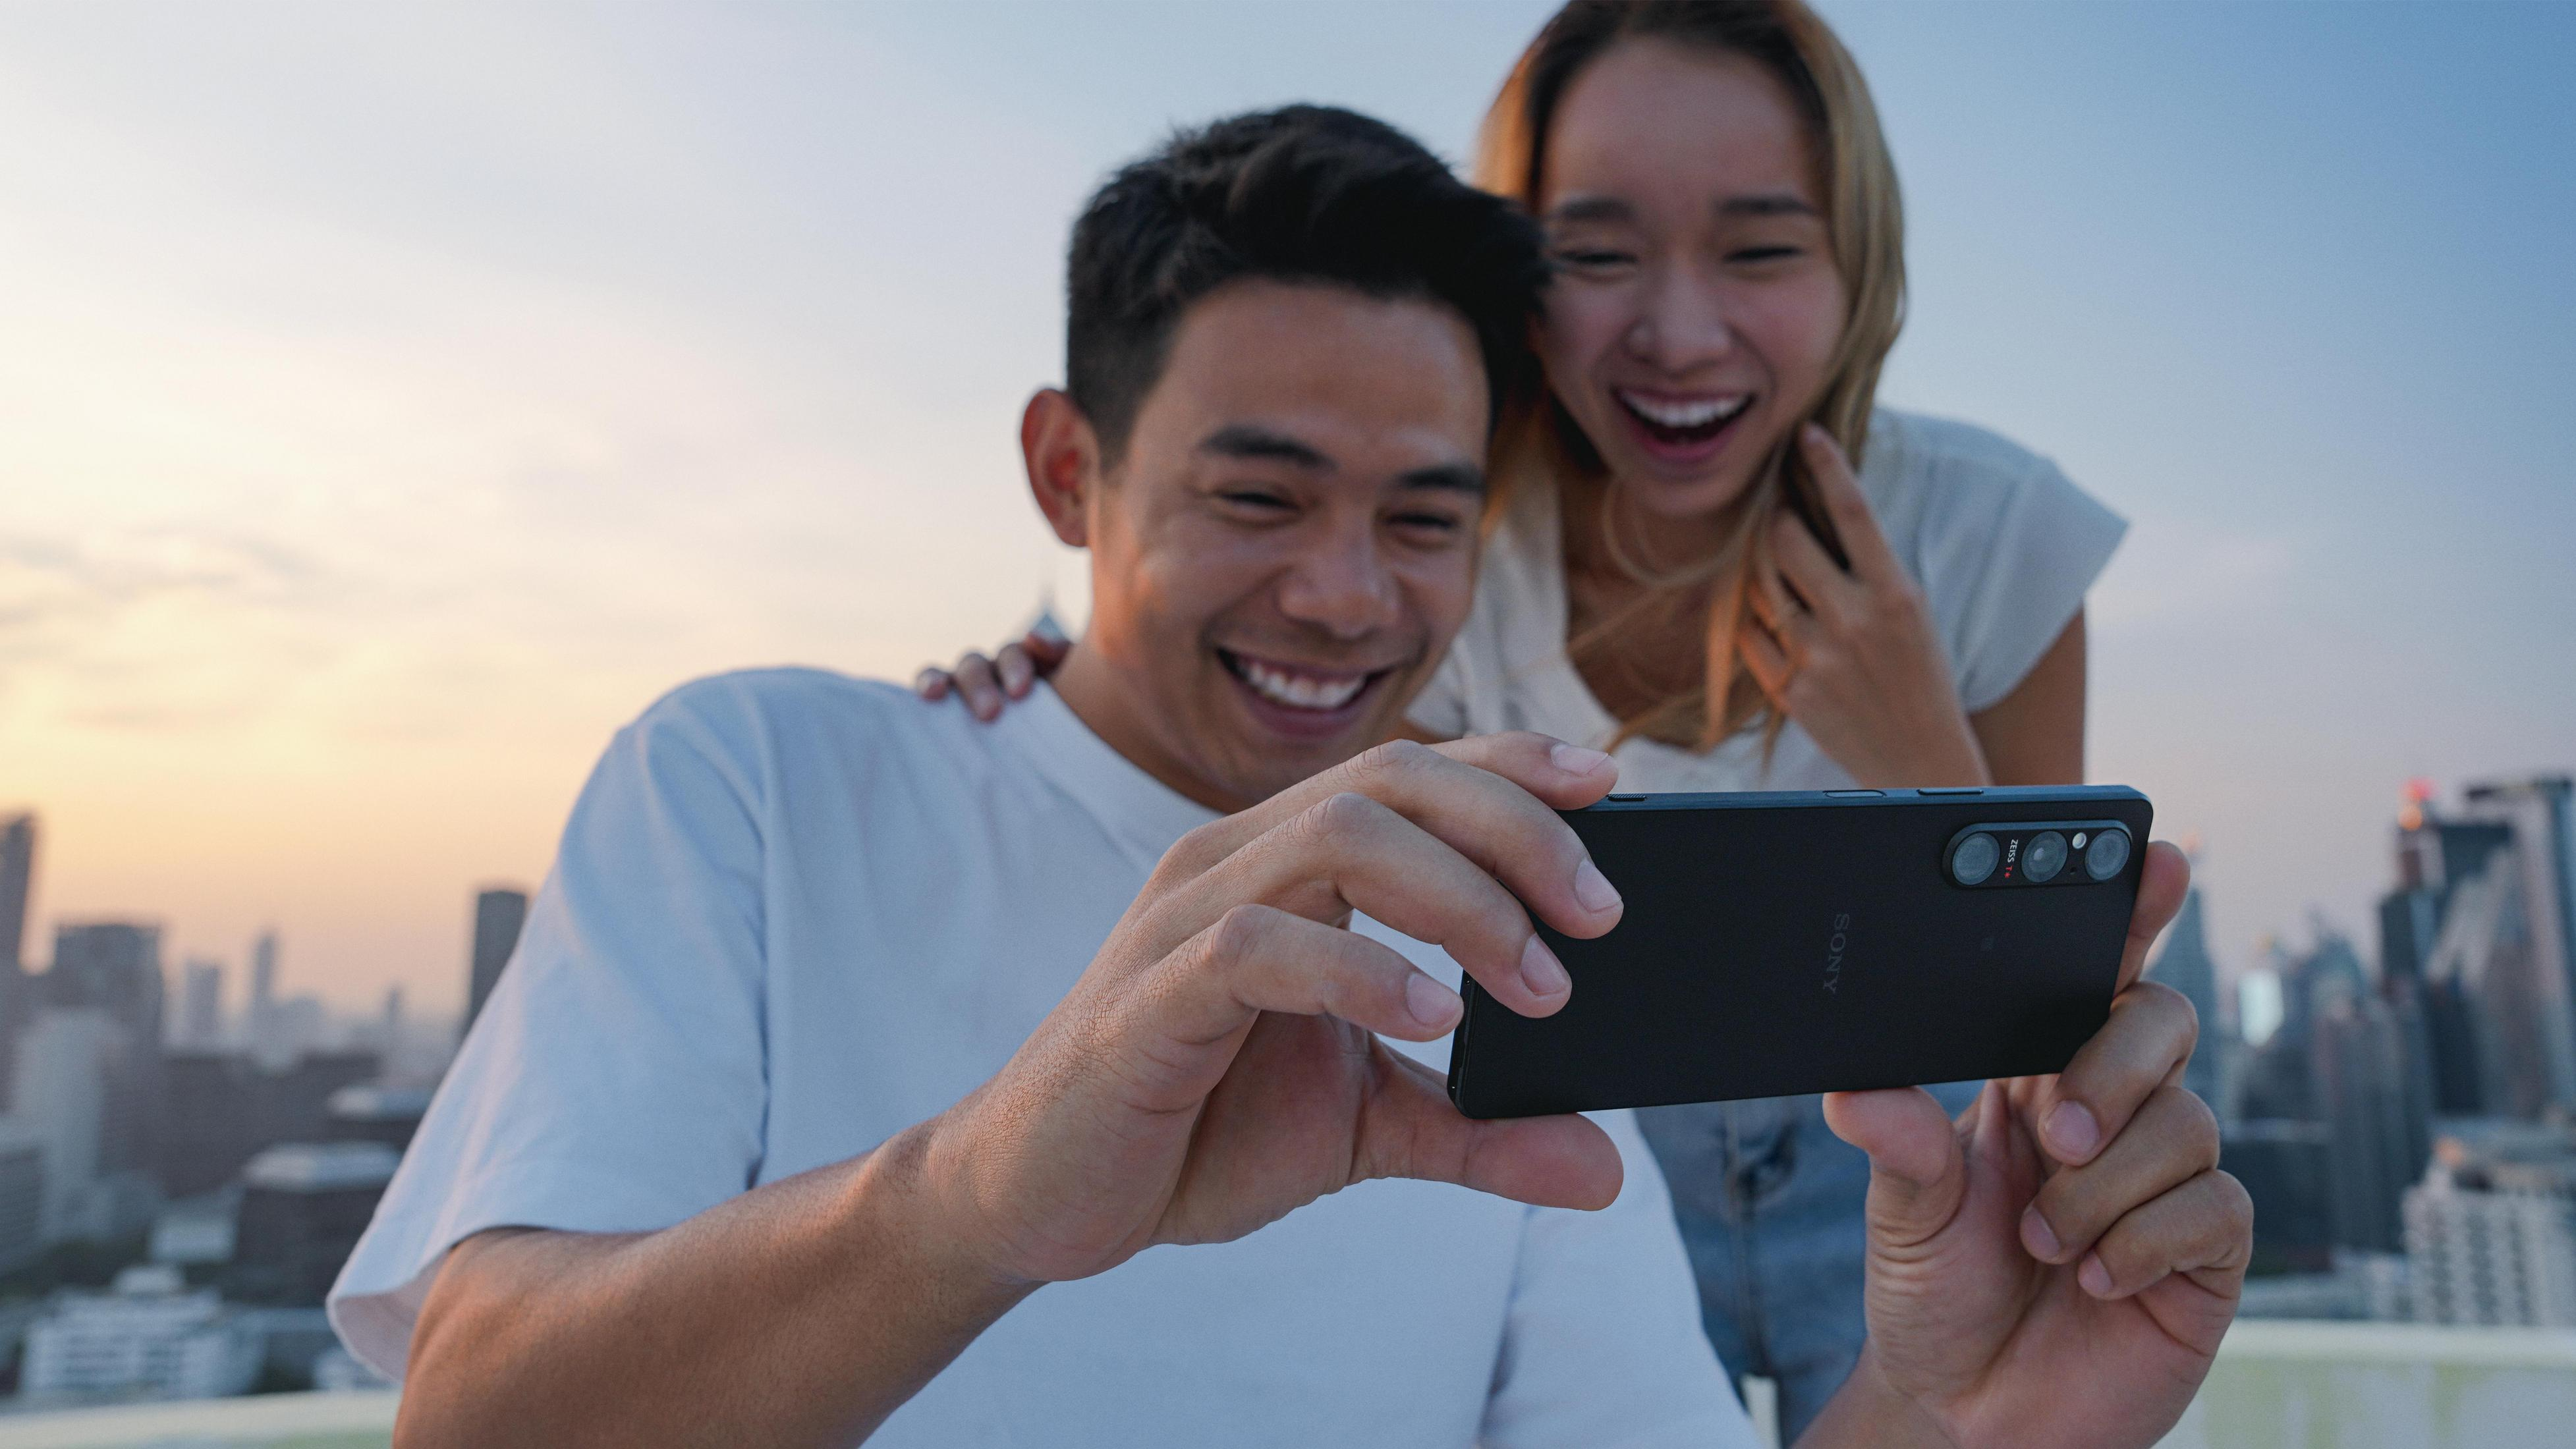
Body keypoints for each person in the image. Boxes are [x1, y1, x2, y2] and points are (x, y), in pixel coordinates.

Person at [333, 106, 2246, 1448]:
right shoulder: (754, 782)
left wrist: (1954, 1423)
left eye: (1423, 518)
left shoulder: (1518, 922)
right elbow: (476, 1415)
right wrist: (981, 1200)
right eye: (1256, 497)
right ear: (1068, 474)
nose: (1341, 597)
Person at [919, 3, 2129, 1433]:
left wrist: (1922, 754)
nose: (1677, 333)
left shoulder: (1989, 535)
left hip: (1895, 1137)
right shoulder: (1445, 530)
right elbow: (1265, 741)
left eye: (1757, 248)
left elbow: (2057, 986)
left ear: (1855, 265)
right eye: (1596, 253)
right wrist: (1053, 678)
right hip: (1572, 1119)